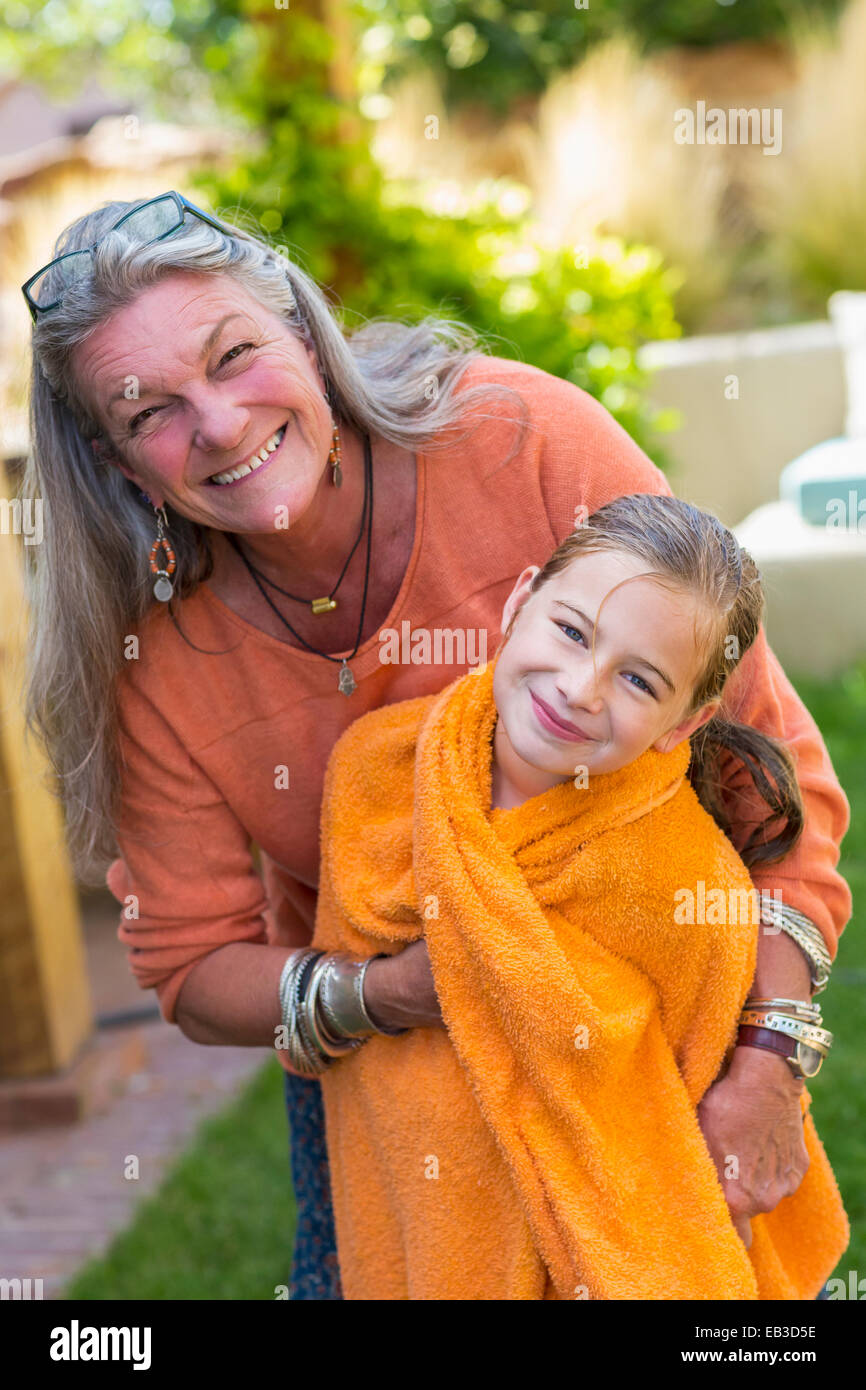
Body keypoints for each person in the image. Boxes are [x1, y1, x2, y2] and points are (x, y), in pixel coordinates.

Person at [20, 190, 850, 1299]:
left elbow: (771, 780)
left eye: (234, 356)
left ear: (308, 336)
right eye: (148, 412)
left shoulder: (524, 442)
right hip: (391, 1092)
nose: (216, 424)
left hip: (647, 1039)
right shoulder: (152, 656)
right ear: (122, 466)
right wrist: (398, 991)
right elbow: (192, 964)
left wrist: (767, 1059)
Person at [310, 493, 849, 1298]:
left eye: (639, 678)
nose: (581, 687)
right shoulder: (379, 772)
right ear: (520, 600)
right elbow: (338, 1026)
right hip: (414, 1217)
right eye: (571, 631)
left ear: (683, 722)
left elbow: (692, 1157)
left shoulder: (687, 893)